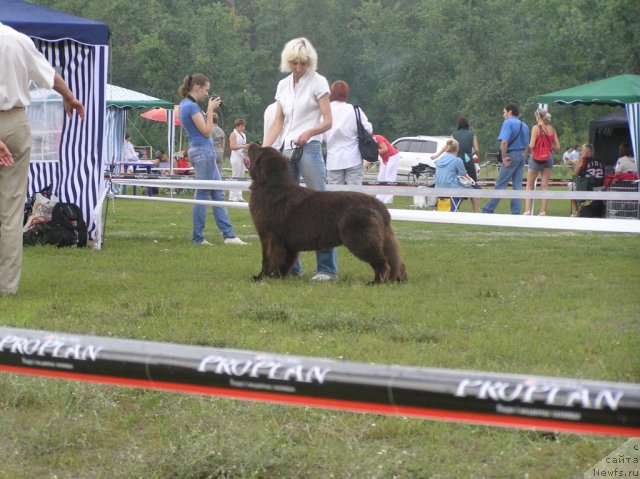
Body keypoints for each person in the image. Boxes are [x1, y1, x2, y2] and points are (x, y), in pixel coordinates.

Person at [0, 22, 85, 296]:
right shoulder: (17, 39)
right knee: (11, 212)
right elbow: (48, 75)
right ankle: (6, 287)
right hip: (15, 122)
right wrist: (70, 97)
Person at [263, 37, 336, 281]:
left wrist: (310, 132)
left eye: (303, 63)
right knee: (286, 210)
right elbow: (278, 123)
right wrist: (264, 148)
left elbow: (328, 120)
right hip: (286, 150)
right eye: (294, 63)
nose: (298, 68)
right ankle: (291, 267)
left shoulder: (319, 82)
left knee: (322, 205)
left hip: (310, 147)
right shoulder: (283, 85)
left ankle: (327, 268)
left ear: (309, 62)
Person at [178, 73, 247, 245]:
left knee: (218, 193)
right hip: (203, 152)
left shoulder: (187, 104)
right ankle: (198, 238)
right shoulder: (191, 107)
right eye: (206, 90)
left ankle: (229, 235)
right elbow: (207, 131)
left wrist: (208, 110)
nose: (207, 94)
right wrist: (209, 110)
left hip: (202, 151)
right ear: (197, 87)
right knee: (202, 194)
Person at [481, 103, 529, 215]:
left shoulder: (508, 123)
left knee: (501, 184)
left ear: (510, 111)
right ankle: (516, 212)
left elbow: (504, 141)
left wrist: (503, 157)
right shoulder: (524, 125)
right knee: (517, 186)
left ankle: (488, 209)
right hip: (521, 155)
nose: (503, 114)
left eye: (504, 112)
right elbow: (527, 144)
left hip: (510, 155)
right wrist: (523, 156)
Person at [324, 80, 372, 185]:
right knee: (355, 194)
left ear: (331, 93)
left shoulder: (326, 110)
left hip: (333, 158)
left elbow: (321, 133)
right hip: (353, 156)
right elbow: (368, 129)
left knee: (334, 194)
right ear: (346, 93)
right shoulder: (355, 110)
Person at [432, 116, 480, 212]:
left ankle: (456, 207)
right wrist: (470, 155)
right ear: (467, 124)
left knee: (458, 183)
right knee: (474, 186)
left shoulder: (454, 134)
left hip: (456, 160)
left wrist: (437, 155)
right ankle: (476, 210)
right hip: (467, 161)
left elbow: (447, 145)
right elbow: (477, 149)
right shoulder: (472, 134)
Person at [524, 108, 561, 216]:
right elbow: (558, 146)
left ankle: (527, 210)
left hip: (536, 157)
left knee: (529, 184)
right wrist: (548, 147)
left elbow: (531, 145)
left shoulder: (536, 128)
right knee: (545, 185)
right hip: (548, 157)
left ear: (538, 116)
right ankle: (543, 211)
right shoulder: (551, 128)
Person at [434, 138, 474, 211]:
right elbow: (463, 174)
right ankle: (476, 210)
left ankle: (453, 206)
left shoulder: (439, 160)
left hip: (438, 187)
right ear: (457, 149)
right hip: (451, 187)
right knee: (472, 188)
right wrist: (471, 181)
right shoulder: (457, 160)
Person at [571, 143, 605, 216]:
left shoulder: (583, 160)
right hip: (601, 187)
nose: (581, 152)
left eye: (582, 150)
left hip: (588, 187)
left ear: (587, 152)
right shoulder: (600, 161)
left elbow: (575, 175)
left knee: (571, 185)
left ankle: (576, 211)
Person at [373, 133, 400, 205]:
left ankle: (388, 200)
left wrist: (373, 152)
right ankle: (379, 198)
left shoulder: (378, 138)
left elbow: (385, 149)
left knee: (390, 177)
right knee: (381, 177)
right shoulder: (369, 143)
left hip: (393, 156)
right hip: (385, 158)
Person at [228, 118, 249, 201]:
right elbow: (232, 147)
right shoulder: (233, 134)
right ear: (237, 126)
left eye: (243, 126)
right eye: (241, 126)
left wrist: (246, 155)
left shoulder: (243, 135)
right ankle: (232, 196)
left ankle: (239, 195)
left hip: (242, 156)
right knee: (235, 175)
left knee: (241, 175)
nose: (243, 128)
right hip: (235, 156)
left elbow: (243, 147)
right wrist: (243, 146)